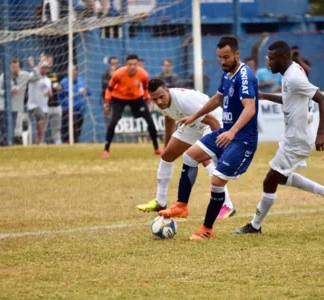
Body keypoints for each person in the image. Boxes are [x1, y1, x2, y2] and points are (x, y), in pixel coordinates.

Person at [234, 41, 324, 235]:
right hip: (293, 136)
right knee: (281, 177)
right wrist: (265, 96)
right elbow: (289, 99)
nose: (268, 63)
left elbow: (323, 100)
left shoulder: (293, 77)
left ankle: (255, 226)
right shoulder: (290, 72)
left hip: (298, 139)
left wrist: (320, 134)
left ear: (283, 59)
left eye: (272, 59)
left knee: (270, 180)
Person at [158, 36, 259, 240]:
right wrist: (194, 116)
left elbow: (250, 108)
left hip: (242, 139)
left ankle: (207, 228)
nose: (222, 61)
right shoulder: (227, 74)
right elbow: (217, 99)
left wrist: (232, 132)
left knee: (216, 182)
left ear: (237, 54)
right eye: (220, 57)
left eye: (226, 57)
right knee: (190, 156)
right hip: (226, 134)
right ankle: (181, 205)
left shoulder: (245, 76)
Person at [136, 78, 236, 219]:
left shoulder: (184, 101)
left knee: (207, 160)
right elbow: (169, 118)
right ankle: (160, 202)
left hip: (213, 123)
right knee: (167, 156)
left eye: (161, 97)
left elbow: (212, 120)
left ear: (167, 90)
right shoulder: (162, 102)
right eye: (154, 99)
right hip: (192, 124)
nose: (159, 102)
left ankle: (227, 205)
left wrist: (217, 148)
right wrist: (166, 146)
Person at [103, 54, 161, 157]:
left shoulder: (143, 74)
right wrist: (107, 103)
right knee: (114, 121)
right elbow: (109, 89)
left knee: (150, 120)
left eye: (135, 64)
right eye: (130, 64)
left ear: (138, 64)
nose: (132, 66)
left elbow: (146, 88)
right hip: (119, 98)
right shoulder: (118, 74)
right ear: (126, 64)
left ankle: (156, 148)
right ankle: (106, 150)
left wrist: (148, 100)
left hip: (136, 99)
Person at [0, 57, 39, 146]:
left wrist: (33, 66)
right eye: (13, 67)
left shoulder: (24, 75)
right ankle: (5, 146)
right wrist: (8, 92)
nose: (15, 69)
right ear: (10, 67)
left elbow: (37, 77)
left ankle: (5, 145)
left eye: (17, 67)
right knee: (4, 131)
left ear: (19, 67)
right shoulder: (4, 76)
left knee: (11, 130)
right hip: (2, 107)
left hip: (15, 108)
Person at [58, 64, 89, 143]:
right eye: (72, 70)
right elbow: (60, 95)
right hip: (68, 112)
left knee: (76, 134)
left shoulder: (81, 80)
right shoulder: (64, 81)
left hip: (80, 112)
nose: (74, 72)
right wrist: (64, 106)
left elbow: (88, 92)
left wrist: (86, 91)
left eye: (75, 70)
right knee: (67, 135)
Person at [27, 60, 52, 144]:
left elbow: (50, 93)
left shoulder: (48, 80)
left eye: (45, 68)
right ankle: (41, 141)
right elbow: (32, 78)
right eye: (42, 68)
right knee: (42, 119)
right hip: (33, 105)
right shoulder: (33, 76)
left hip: (44, 106)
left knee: (41, 126)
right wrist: (33, 66)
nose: (44, 70)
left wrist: (49, 93)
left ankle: (38, 142)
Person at [44, 54, 63, 144]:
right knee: (42, 130)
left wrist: (58, 87)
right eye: (48, 60)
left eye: (51, 61)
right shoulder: (40, 75)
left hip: (56, 105)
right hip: (44, 106)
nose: (50, 63)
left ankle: (58, 146)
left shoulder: (55, 74)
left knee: (56, 131)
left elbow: (60, 86)